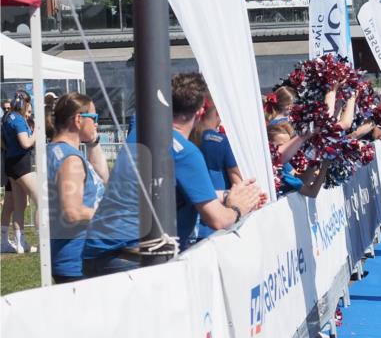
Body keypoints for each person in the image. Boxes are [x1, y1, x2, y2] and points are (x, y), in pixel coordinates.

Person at [82, 73, 263, 276]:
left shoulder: (140, 131)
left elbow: (172, 191)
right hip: (132, 260)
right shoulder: (186, 153)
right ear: (201, 111)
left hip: (97, 254)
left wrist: (227, 194)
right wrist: (238, 207)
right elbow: (218, 220)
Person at [47, 93, 109, 283]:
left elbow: (103, 176)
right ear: (78, 119)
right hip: (77, 262)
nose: (97, 124)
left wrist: (93, 141)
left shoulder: (56, 151)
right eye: (95, 118)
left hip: (72, 259)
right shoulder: (71, 159)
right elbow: (73, 212)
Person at [192, 96, 241, 239]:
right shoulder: (221, 141)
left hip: (190, 223)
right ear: (218, 113)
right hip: (217, 222)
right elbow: (238, 182)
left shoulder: (183, 138)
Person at [1, 90, 38, 254]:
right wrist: (37, 131)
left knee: (19, 205)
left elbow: (2, 141)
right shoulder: (19, 120)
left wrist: (9, 148)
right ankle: (44, 240)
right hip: (21, 164)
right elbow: (25, 143)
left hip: (11, 163)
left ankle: (20, 243)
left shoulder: (7, 117)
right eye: (28, 103)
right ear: (25, 103)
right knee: (41, 198)